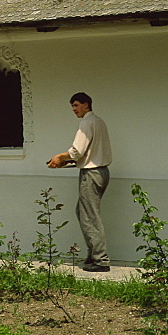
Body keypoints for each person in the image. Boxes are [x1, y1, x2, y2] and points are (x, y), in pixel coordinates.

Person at [47, 91, 112, 272]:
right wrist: (67, 161)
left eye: (76, 105)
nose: (74, 109)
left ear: (86, 105)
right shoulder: (99, 122)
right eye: (72, 106)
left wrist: (60, 157)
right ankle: (94, 255)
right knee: (83, 212)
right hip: (101, 171)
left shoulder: (86, 122)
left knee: (89, 216)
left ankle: (100, 260)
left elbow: (77, 151)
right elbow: (89, 153)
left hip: (91, 173)